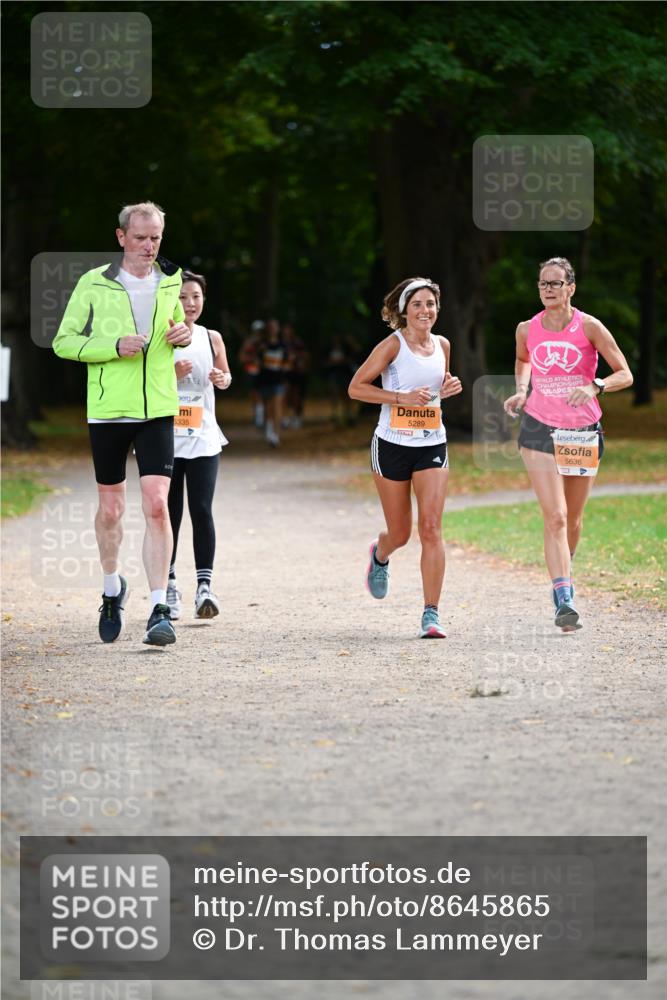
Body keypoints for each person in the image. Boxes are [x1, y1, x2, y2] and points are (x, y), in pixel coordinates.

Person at [52, 201, 191, 647]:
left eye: (156, 238)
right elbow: (64, 342)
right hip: (108, 410)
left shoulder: (172, 279)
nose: (149, 246)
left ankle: (158, 607)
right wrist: (112, 345)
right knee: (111, 510)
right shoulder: (94, 283)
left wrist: (182, 333)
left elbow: (177, 327)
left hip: (157, 409)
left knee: (156, 504)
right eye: (140, 238)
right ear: (121, 238)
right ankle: (112, 589)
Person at [503, 256, 633, 631]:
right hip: (539, 428)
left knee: (573, 519)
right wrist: (521, 391)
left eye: (555, 283)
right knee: (555, 516)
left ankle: (565, 570)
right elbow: (522, 358)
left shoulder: (589, 326)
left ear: (571, 288)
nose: (548, 289)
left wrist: (595, 385)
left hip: (582, 430)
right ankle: (564, 597)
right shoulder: (527, 329)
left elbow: (625, 372)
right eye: (543, 283)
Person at [348, 277, 462, 638]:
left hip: (432, 443)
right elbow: (356, 388)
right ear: (404, 310)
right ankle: (380, 554)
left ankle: (431, 613)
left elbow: (437, 387)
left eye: (430, 304)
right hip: (392, 445)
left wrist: (447, 388)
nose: (425, 311)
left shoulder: (443, 344)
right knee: (401, 532)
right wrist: (400, 398)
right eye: (417, 305)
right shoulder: (391, 346)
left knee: (431, 528)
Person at [166, 271, 231, 620]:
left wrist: (222, 378)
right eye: (183, 297)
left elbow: (225, 375)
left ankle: (205, 587)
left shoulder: (212, 337)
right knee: (169, 514)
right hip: (166, 438)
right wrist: (168, 376)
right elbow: (143, 381)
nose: (190, 304)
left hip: (204, 435)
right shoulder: (162, 335)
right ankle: (171, 584)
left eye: (196, 297)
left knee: (201, 509)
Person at [258, 318, 289, 447]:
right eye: (270, 326)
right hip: (265, 380)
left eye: (275, 326)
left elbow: (287, 363)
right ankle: (270, 431)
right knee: (269, 407)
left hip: (279, 381)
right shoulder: (262, 345)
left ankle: (276, 435)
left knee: (277, 407)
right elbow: (257, 362)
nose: (273, 329)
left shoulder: (283, 346)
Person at [239, 320, 265, 428]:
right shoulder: (248, 343)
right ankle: (257, 417)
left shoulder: (265, 343)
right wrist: (251, 359)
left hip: (263, 373)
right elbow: (241, 357)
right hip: (251, 371)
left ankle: (260, 419)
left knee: (260, 395)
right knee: (254, 395)